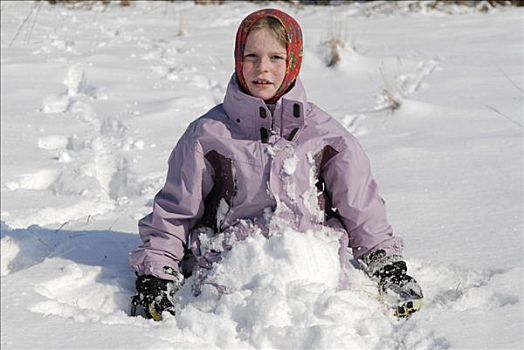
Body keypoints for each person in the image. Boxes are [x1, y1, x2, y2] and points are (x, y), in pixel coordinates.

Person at [129, 8, 423, 321]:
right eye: (251, 56)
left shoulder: (325, 136)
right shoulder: (208, 136)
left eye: (276, 58)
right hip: (229, 275)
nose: (262, 68)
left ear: (293, 61)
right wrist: (157, 274)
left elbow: (361, 206)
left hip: (312, 272)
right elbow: (176, 211)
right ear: (238, 58)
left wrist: (386, 265)